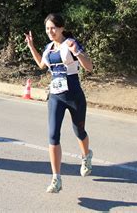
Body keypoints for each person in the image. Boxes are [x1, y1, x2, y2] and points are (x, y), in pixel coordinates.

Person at [24, 13, 94, 193]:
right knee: (53, 135)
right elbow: (41, 64)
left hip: (74, 95)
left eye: (53, 28)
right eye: (47, 29)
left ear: (62, 28)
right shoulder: (48, 48)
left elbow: (89, 67)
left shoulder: (71, 44)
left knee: (79, 131)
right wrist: (31, 46)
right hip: (56, 96)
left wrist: (77, 51)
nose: (50, 31)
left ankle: (86, 155)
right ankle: (56, 178)